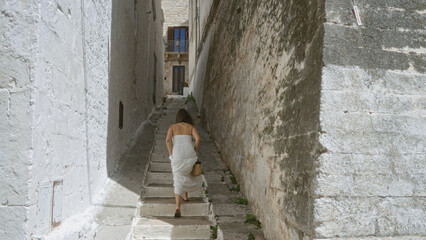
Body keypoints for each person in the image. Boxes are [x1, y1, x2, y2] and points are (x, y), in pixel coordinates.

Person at [166, 109, 202, 218]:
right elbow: (198, 139)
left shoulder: (173, 127)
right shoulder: (190, 127)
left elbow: (167, 140)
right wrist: (194, 150)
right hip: (189, 153)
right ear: (187, 117)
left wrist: (171, 153)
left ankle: (177, 206)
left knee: (178, 177)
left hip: (177, 154)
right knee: (188, 172)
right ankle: (185, 196)